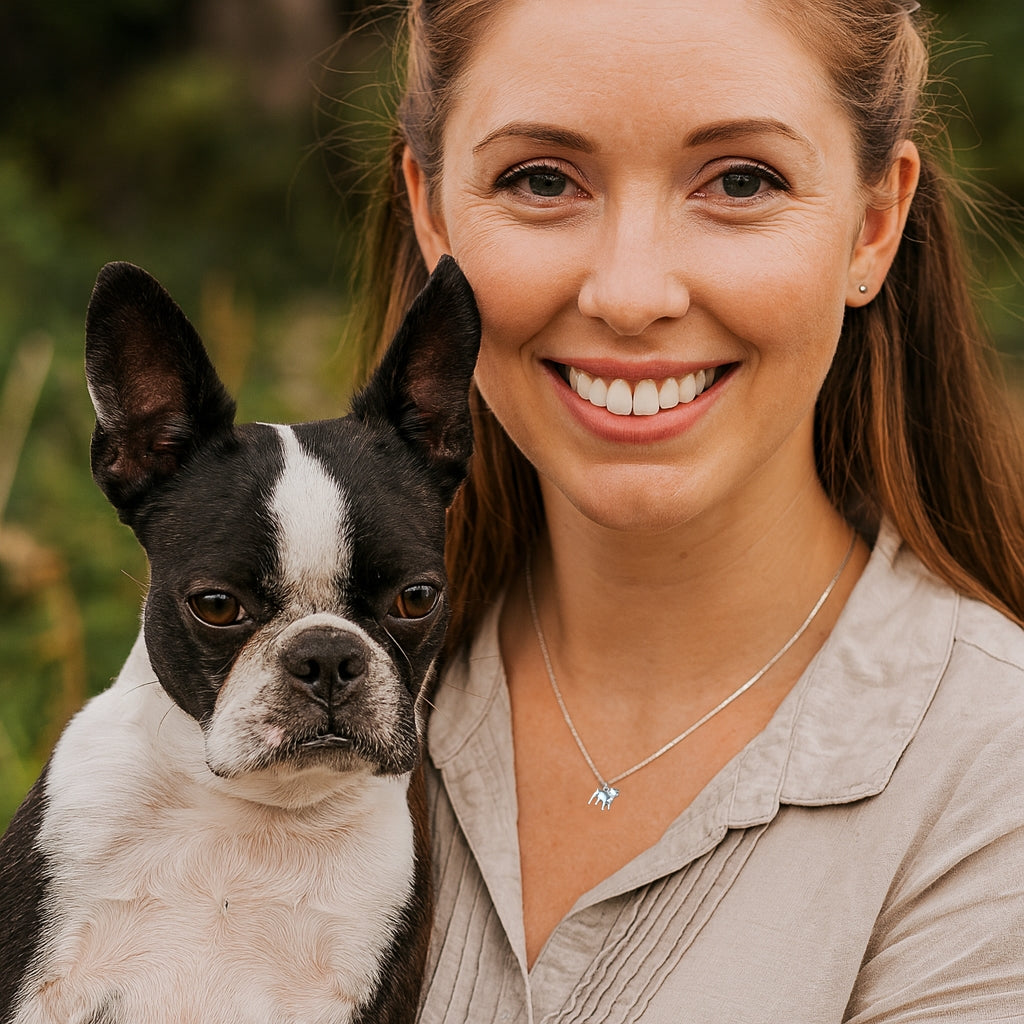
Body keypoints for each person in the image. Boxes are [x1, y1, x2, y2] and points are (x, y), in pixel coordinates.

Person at [346, 0, 1024, 1019]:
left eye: (741, 181)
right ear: (432, 212)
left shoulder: (990, 777)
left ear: (873, 222)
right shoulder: (280, 681)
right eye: (541, 179)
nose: (630, 292)